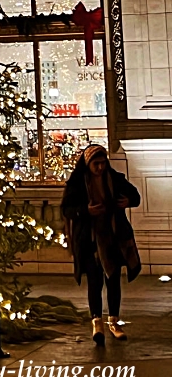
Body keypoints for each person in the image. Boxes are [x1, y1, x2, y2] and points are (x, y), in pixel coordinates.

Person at [61, 143, 141, 345]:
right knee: (94, 281)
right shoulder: (78, 183)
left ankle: (114, 320)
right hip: (89, 238)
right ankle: (97, 321)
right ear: (88, 164)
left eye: (103, 163)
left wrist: (128, 201)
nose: (100, 168)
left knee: (113, 278)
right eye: (96, 164)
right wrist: (85, 211)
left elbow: (134, 195)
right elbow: (67, 209)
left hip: (112, 236)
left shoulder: (114, 178)